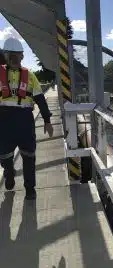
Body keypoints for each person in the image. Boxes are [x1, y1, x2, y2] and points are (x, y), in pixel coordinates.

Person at [0, 37, 54, 200]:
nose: (15, 59)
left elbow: (40, 99)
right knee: (4, 155)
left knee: (29, 156)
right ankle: (9, 172)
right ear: (6, 56)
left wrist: (47, 120)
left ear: (22, 56)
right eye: (11, 56)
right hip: (4, 119)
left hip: (24, 119)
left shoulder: (30, 76)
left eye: (18, 55)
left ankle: (30, 189)